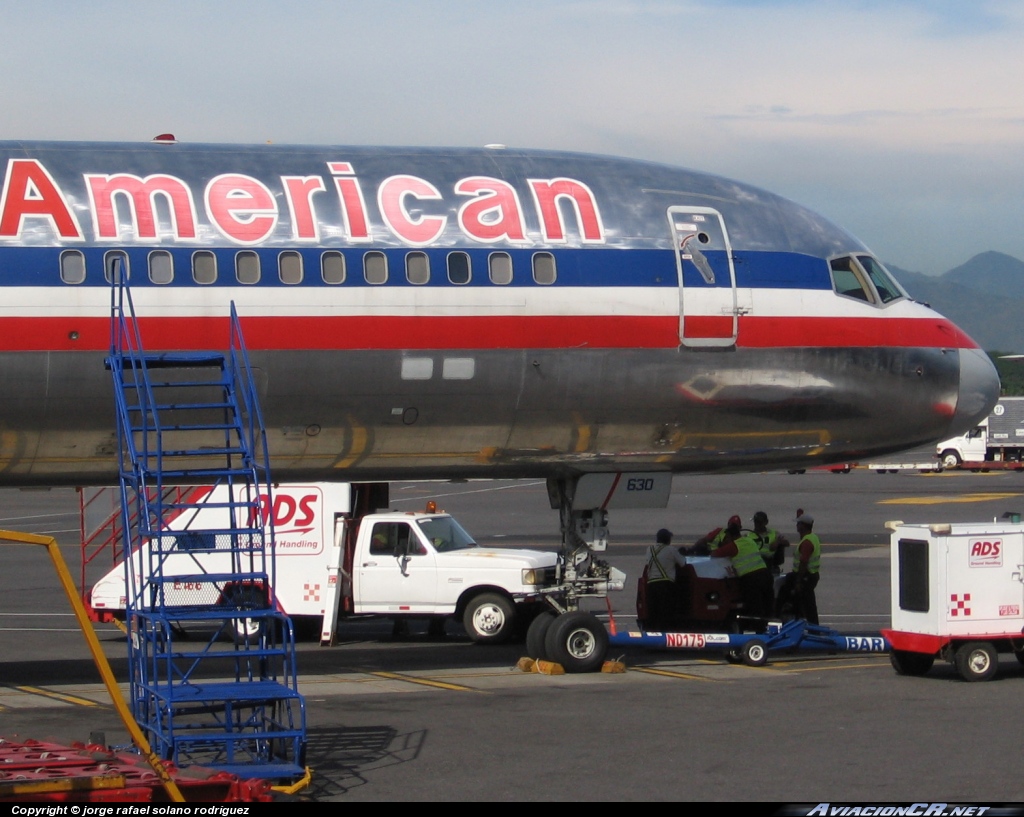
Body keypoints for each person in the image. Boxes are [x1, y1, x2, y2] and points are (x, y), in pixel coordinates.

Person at [709, 526, 774, 622]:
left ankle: (758, 629)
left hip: (751, 579)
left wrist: (723, 544)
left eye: (727, 537)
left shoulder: (734, 546)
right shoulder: (749, 540)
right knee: (767, 605)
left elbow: (714, 554)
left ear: (732, 536)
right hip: (765, 575)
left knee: (755, 607)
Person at [776, 512, 821, 624]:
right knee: (795, 597)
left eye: (799, 523)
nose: (797, 526)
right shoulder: (812, 537)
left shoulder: (807, 542)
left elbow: (803, 563)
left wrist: (798, 582)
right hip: (809, 575)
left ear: (804, 526)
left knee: (807, 603)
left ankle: (812, 627)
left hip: (805, 576)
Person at [642, 528, 688, 628]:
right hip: (666, 585)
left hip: (651, 585)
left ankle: (651, 635)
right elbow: (683, 563)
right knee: (666, 613)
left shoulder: (649, 549)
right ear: (668, 539)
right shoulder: (671, 550)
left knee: (653, 612)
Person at [751, 511, 789, 576]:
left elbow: (787, 543)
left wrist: (778, 542)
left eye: (759, 522)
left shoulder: (773, 533)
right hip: (755, 563)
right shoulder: (749, 535)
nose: (757, 524)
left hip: (770, 562)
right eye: (755, 522)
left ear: (766, 522)